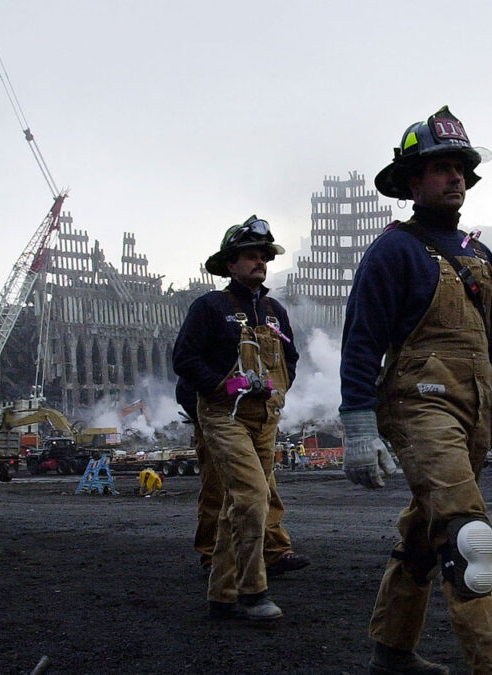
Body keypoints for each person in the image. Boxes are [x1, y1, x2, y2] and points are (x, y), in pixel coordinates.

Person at [340, 106, 492, 675]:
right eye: (440, 167)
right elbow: (362, 339)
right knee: (468, 538)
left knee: (427, 530)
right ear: (411, 181)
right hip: (417, 406)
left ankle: (391, 652)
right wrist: (357, 425)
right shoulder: (393, 250)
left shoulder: (480, 256)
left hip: (470, 416)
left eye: (460, 168)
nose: (454, 177)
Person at [172, 215, 300, 622]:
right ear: (230, 264)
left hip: (264, 419)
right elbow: (184, 359)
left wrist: (279, 388)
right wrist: (219, 386)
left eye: (263, 256)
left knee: (236, 504)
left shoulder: (274, 311)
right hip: (223, 416)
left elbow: (290, 359)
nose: (259, 262)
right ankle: (253, 591)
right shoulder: (209, 307)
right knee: (251, 497)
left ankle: (221, 595)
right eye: (250, 256)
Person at [174, 379, 310, 581]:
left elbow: (286, 361)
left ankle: (273, 551)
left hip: (255, 419)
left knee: (264, 488)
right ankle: (215, 555)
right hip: (218, 420)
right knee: (217, 489)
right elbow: (187, 368)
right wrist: (207, 413)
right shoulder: (213, 350)